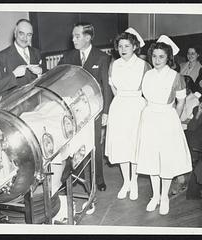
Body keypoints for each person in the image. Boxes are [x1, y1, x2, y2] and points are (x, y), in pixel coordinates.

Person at [136, 35, 192, 215]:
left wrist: (173, 119)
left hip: (167, 118)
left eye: (161, 57)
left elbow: (181, 102)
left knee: (166, 159)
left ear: (168, 58)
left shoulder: (176, 76)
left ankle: (165, 196)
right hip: (150, 117)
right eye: (154, 56)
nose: (157, 60)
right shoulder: (148, 74)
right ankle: (155, 195)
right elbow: (144, 98)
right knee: (151, 158)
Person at [58, 22, 112, 191]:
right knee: (75, 145)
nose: (73, 39)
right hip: (74, 111)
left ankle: (99, 179)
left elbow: (106, 88)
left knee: (95, 144)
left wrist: (106, 112)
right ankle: (77, 176)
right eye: (73, 36)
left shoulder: (102, 57)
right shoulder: (68, 57)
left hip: (94, 110)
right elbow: (60, 79)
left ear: (88, 37)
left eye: (77, 36)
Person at [105, 28, 151, 200]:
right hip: (119, 106)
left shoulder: (142, 65)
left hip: (137, 105)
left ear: (134, 47)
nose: (123, 49)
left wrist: (136, 101)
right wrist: (120, 100)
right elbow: (112, 85)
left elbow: (148, 88)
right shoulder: (114, 64)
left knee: (135, 145)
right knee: (121, 145)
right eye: (120, 46)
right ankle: (126, 181)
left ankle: (134, 182)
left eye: (127, 46)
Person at [0, 19, 43, 86]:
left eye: (29, 35)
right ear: (15, 33)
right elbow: (0, 85)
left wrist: (40, 72)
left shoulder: (36, 52)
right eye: (21, 33)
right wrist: (14, 75)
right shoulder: (2, 56)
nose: (25, 38)